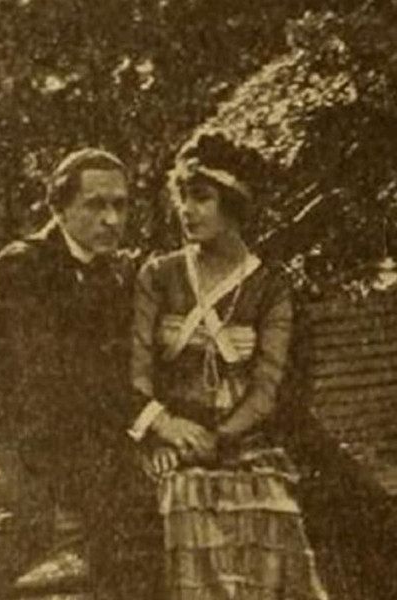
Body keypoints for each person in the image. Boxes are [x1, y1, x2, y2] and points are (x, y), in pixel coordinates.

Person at [0, 148, 171, 599]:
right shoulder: (20, 266)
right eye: (96, 205)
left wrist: (150, 434)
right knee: (27, 520)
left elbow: (119, 368)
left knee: (143, 509)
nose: (112, 219)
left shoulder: (110, 274)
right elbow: (51, 374)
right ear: (59, 207)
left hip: (57, 438)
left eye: (120, 204)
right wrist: (149, 420)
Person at [130, 145, 328, 600]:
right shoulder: (159, 275)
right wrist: (161, 432)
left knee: (269, 506)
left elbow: (267, 388)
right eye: (182, 196)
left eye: (201, 197)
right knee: (180, 499)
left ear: (234, 203)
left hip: (245, 439)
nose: (186, 209)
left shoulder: (270, 286)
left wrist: (218, 440)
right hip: (171, 439)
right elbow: (137, 371)